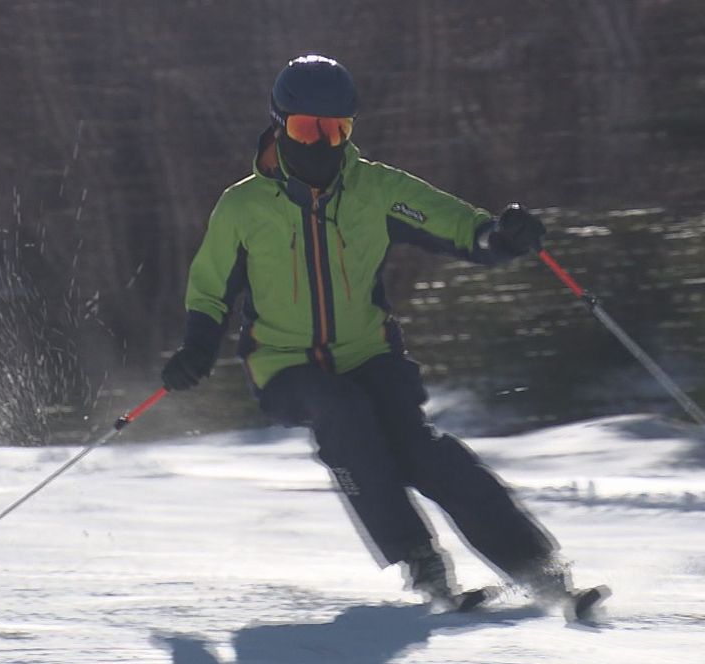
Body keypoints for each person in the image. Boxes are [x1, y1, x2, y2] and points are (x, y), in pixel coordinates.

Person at [161, 54, 580, 609]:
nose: (320, 144)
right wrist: (197, 346)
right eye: (306, 128)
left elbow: (455, 223)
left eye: (336, 130)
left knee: (423, 452)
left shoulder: (376, 189)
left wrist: (499, 236)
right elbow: (210, 286)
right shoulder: (242, 207)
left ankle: (539, 568)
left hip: (369, 354)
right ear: (279, 125)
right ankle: (420, 560)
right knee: (341, 412)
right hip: (285, 365)